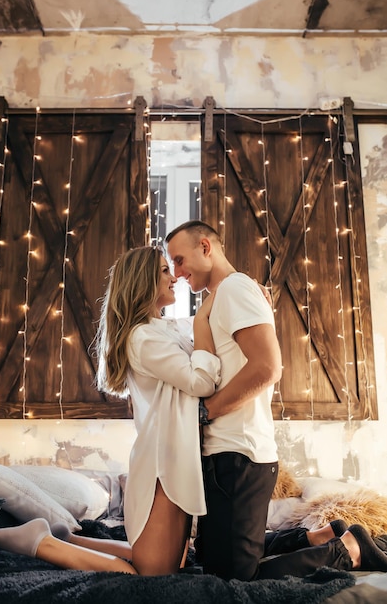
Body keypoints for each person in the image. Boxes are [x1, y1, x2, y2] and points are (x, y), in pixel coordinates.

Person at [0, 246, 221, 576]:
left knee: (158, 559)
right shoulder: (143, 337)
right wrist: (205, 323)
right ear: (143, 282)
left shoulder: (161, 329)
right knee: (151, 575)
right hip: (164, 463)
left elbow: (201, 326)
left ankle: (63, 537)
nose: (175, 276)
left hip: (173, 455)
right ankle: (42, 543)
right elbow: (201, 382)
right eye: (165, 271)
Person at [165, 220, 282, 581]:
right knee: (215, 562)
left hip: (239, 454)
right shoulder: (222, 297)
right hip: (223, 456)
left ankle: (343, 551)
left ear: (205, 247)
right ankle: (315, 536)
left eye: (180, 260)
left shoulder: (234, 289)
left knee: (232, 577)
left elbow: (267, 367)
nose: (177, 273)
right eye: (171, 267)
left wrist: (204, 412)